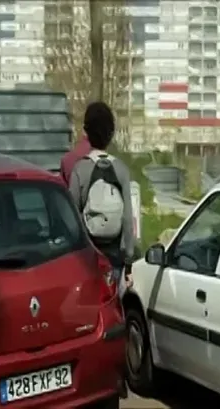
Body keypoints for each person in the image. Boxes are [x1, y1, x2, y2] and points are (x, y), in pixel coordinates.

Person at [68, 102, 133, 296]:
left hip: (90, 259)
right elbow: (128, 220)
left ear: (87, 132)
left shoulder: (80, 169)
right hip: (116, 259)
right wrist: (128, 260)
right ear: (111, 134)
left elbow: (72, 218)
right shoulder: (121, 169)